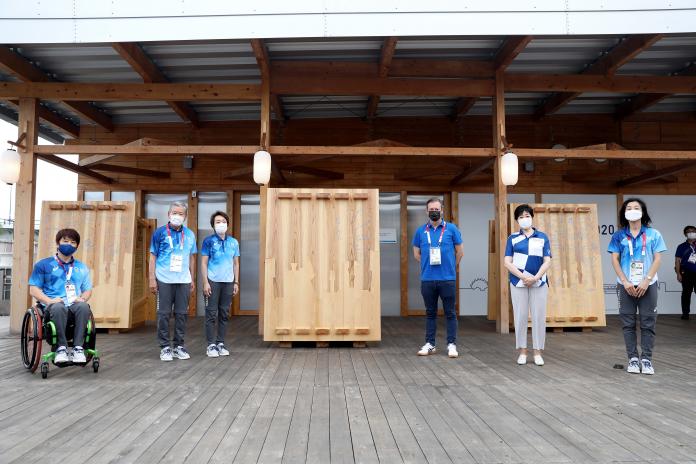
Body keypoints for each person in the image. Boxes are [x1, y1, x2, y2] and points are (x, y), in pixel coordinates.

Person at [608, 198, 667, 375]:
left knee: (648, 323)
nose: (632, 210)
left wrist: (646, 279)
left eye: (636, 207)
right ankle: (633, 358)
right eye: (629, 208)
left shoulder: (653, 234)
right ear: (624, 213)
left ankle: (647, 359)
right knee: (628, 323)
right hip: (625, 286)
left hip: (647, 284)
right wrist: (625, 281)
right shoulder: (619, 235)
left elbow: (657, 259)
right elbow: (614, 260)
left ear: (642, 211)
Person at [29, 228, 93, 364]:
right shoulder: (43, 265)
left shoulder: (81, 268)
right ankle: (61, 348)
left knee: (83, 306)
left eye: (73, 242)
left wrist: (82, 298)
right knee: (58, 307)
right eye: (65, 241)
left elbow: (87, 290)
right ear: (58, 243)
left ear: (77, 246)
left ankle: (78, 348)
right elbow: (34, 290)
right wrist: (49, 301)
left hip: (73, 306)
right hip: (52, 308)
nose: (69, 244)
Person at [413, 198, 464, 358]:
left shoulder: (451, 229)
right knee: (430, 313)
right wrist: (428, 265)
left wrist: (450, 267)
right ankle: (430, 344)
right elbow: (416, 254)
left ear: (442, 210)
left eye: (437, 209)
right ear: (426, 211)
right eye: (431, 209)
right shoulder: (420, 231)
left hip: (447, 279)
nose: (434, 211)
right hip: (427, 279)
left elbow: (460, 252)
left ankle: (451, 344)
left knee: (450, 312)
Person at [503, 204, 552, 366]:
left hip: (539, 282)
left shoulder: (542, 237)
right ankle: (522, 351)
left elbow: (547, 260)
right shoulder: (512, 238)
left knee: (538, 316)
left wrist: (536, 277)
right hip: (518, 282)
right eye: (521, 217)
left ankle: (538, 352)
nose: (525, 219)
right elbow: (507, 262)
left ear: (532, 217)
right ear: (517, 220)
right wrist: (523, 276)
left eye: (527, 215)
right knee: (520, 316)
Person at [149, 201, 197, 361]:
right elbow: (152, 256)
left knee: (182, 314)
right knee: (163, 314)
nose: (177, 216)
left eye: (181, 213)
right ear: (168, 214)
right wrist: (151, 279)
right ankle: (165, 347)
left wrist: (192, 278)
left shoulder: (190, 234)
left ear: (185, 216)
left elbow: (192, 258)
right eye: (174, 213)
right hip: (164, 279)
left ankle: (179, 346)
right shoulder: (159, 233)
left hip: (183, 279)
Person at [200, 211, 240, 357]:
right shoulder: (208, 241)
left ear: (227, 224)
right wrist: (205, 282)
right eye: (217, 221)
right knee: (211, 313)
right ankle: (211, 345)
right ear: (213, 225)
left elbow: (236, 263)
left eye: (223, 221)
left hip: (228, 282)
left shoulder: (233, 242)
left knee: (224, 314)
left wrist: (236, 281)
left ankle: (220, 343)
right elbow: (204, 263)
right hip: (213, 281)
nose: (221, 224)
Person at [675, 225, 696, 320]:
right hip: (686, 273)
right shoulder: (681, 246)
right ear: (685, 234)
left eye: (693, 231)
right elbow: (677, 260)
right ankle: (685, 314)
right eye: (689, 231)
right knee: (686, 294)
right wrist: (678, 273)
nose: (691, 233)